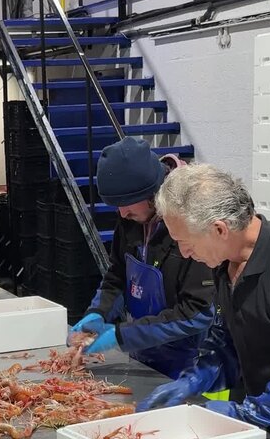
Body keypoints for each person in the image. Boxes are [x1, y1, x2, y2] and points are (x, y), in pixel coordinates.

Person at [137, 164, 270, 439]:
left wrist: (252, 412)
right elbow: (230, 342)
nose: (185, 254)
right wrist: (196, 378)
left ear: (219, 229)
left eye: (184, 243)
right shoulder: (225, 265)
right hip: (267, 426)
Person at [69, 138, 225, 394]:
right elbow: (118, 275)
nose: (121, 214)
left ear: (154, 195)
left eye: (127, 205)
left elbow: (198, 312)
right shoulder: (133, 218)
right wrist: (99, 311)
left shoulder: (193, 223)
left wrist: (123, 335)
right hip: (146, 355)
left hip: (194, 364)